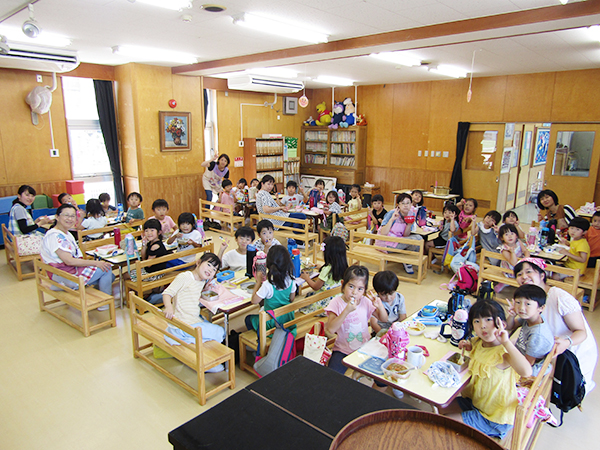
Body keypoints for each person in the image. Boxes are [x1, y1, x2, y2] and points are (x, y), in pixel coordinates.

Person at [446, 299, 532, 439]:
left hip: (494, 417)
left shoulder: (504, 352)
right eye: (477, 321)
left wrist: (506, 341)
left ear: (501, 324)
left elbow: (527, 371)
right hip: (476, 403)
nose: (483, 326)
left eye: (488, 320)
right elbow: (477, 350)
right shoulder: (479, 342)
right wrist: (467, 345)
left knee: (445, 424)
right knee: (439, 408)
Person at [514, 258, 597, 393]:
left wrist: (567, 342)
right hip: (549, 348)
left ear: (542, 275)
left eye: (529, 272)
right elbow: (517, 325)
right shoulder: (530, 299)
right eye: (519, 274)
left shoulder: (558, 296)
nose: (524, 277)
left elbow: (581, 332)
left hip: (571, 354)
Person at [40, 204, 115, 309]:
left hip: (65, 271)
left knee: (110, 276)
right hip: (64, 275)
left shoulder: (65, 233)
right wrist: (96, 263)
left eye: (73, 216)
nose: (70, 219)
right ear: (57, 217)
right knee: (107, 269)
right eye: (66, 215)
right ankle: (104, 305)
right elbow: (69, 261)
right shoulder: (55, 236)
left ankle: (98, 298)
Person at [162, 252, 226, 371]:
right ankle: (202, 361)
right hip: (182, 325)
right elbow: (167, 293)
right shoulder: (185, 277)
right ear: (198, 262)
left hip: (191, 320)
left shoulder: (201, 280)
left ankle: (205, 358)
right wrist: (168, 307)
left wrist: (221, 250)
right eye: (208, 265)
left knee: (210, 327)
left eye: (214, 269)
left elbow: (214, 266)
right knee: (220, 331)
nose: (211, 270)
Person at [325, 265, 387, 375]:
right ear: (343, 284)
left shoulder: (365, 301)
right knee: (332, 376)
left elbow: (384, 319)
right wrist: (346, 311)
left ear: (364, 290)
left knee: (382, 375)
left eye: (360, 289)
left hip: (365, 348)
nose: (354, 292)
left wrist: (380, 306)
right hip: (342, 350)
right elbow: (330, 329)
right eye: (351, 286)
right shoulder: (336, 303)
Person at [245, 245, 297, 335]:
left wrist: (258, 281)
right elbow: (291, 299)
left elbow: (254, 301)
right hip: (287, 319)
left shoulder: (268, 285)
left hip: (273, 323)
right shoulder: (291, 280)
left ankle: (261, 339)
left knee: (248, 319)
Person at [507, 285, 555, 376]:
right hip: (521, 357)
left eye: (527, 304)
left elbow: (527, 364)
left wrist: (507, 359)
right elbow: (510, 326)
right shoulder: (532, 317)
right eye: (518, 302)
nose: (521, 308)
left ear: (541, 308)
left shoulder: (537, 335)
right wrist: (512, 315)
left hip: (529, 371)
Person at [299, 236, 348, 314]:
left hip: (326, 302)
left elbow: (316, 287)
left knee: (305, 302)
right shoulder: (343, 266)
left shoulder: (326, 269)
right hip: (338, 298)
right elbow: (331, 273)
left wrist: (307, 278)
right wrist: (321, 267)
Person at [378, 193, 423, 275]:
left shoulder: (411, 214)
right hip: (386, 243)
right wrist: (392, 219)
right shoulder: (392, 213)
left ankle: (407, 260)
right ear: (398, 204)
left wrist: (409, 224)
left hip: (399, 241)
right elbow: (383, 233)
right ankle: (407, 261)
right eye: (403, 203)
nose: (406, 205)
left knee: (418, 238)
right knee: (417, 239)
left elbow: (406, 235)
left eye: (408, 203)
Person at [129, 218, 171, 286]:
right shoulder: (152, 243)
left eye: (152, 230)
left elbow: (147, 264)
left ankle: (136, 294)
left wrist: (142, 263)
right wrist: (144, 244)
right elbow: (144, 257)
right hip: (154, 271)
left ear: (159, 232)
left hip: (154, 274)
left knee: (125, 275)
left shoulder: (155, 246)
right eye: (146, 231)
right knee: (130, 273)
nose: (149, 233)